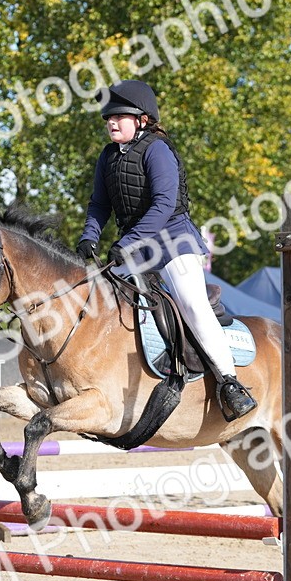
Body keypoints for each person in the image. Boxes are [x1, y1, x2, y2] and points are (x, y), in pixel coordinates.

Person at [76, 79, 256, 421]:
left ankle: (230, 383)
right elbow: (99, 204)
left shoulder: (157, 150)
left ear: (142, 119)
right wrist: (90, 236)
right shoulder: (107, 157)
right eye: (108, 118)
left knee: (191, 304)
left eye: (119, 116)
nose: (111, 123)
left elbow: (162, 205)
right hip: (134, 245)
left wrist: (127, 243)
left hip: (173, 242)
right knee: (96, 296)